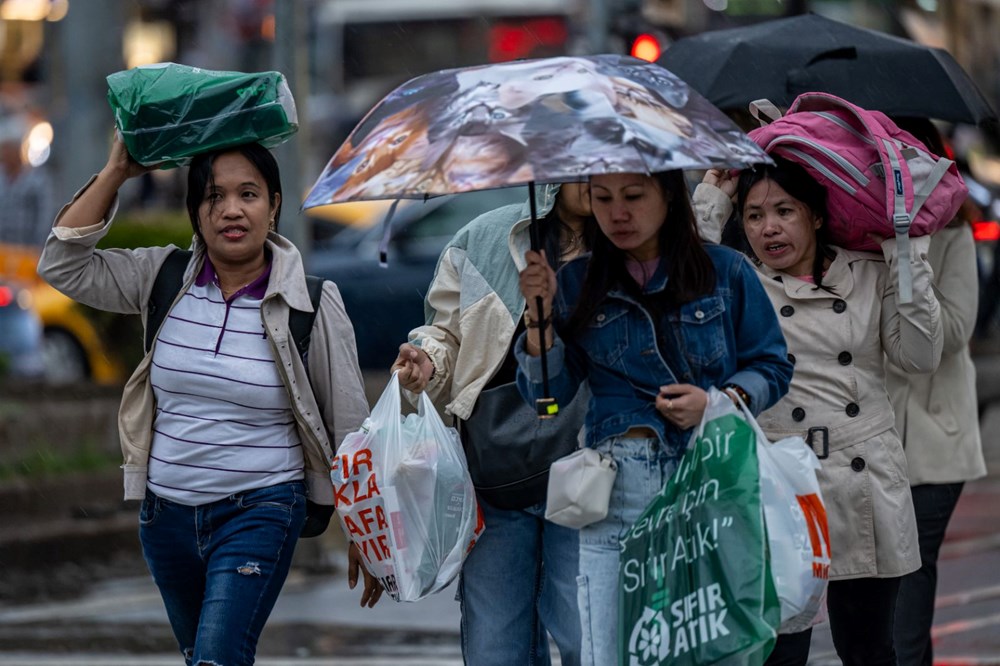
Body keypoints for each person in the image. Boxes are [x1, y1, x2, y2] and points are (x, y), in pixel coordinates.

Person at [36, 135, 383, 666]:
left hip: (261, 508)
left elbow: (350, 419)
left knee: (219, 657)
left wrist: (364, 525)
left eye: (249, 194)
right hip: (166, 517)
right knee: (203, 655)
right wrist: (116, 172)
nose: (231, 210)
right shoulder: (163, 277)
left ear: (274, 205)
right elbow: (62, 265)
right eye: (213, 197)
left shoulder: (309, 301)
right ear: (195, 213)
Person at [516, 170, 795, 666]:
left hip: (708, 492)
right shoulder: (576, 282)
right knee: (612, 655)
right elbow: (549, 401)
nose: (617, 213)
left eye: (633, 196)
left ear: (668, 195)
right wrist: (538, 321)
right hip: (616, 498)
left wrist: (716, 402)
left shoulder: (725, 271)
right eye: (601, 198)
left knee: (711, 653)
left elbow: (772, 365)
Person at [695, 156, 944, 666]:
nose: (769, 228)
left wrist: (908, 259)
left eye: (784, 211)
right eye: (753, 215)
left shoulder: (870, 273)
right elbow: (682, 288)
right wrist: (710, 202)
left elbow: (919, 356)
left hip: (863, 480)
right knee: (777, 654)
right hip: (776, 482)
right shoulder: (736, 280)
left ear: (816, 216)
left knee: (871, 650)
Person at [391, 183, 595, 666]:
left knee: (588, 640)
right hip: (496, 473)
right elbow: (445, 334)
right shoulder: (482, 238)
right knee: (494, 648)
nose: (596, 180)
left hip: (592, 475)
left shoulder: (631, 240)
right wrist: (427, 362)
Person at [886, 117, 988, 666]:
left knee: (913, 572)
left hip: (934, 442)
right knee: (880, 593)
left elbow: (950, 333)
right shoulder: (854, 234)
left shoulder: (951, 236)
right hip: (873, 444)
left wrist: (909, 257)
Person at [0, 116, 55, 248]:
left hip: (28, 251)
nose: (3, 154)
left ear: (16, 150)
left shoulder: (37, 178)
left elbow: (45, 215)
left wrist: (38, 248)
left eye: (7, 149)